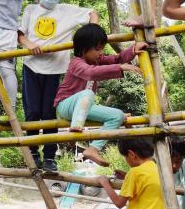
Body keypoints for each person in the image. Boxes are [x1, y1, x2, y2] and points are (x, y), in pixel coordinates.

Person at [18, 0, 98, 171]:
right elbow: (20, 34)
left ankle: (50, 157)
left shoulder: (67, 11)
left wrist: (93, 34)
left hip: (54, 71)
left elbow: (92, 13)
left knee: (50, 114)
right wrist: (28, 45)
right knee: (33, 112)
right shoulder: (30, 10)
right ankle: (33, 152)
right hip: (31, 66)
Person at [53, 23, 145, 166]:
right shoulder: (76, 63)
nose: (101, 52)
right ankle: (74, 131)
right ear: (84, 49)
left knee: (118, 115)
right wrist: (121, 67)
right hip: (65, 106)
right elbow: (90, 73)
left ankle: (93, 149)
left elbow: (116, 59)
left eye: (102, 48)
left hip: (83, 109)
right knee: (88, 93)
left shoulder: (97, 60)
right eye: (97, 49)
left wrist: (133, 50)